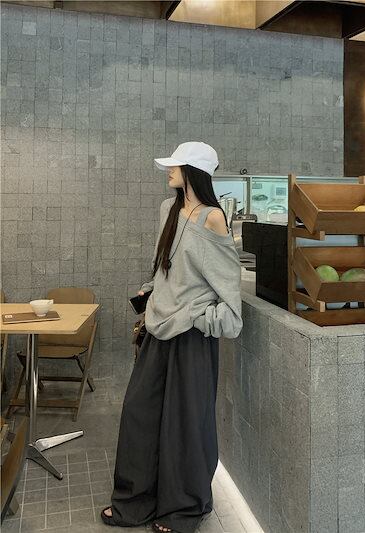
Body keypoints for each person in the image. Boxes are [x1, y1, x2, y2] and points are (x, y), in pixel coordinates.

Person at [101, 141, 243, 533]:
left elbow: (229, 298)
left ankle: (182, 510)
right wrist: (152, 293)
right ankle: (137, 501)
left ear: (194, 171)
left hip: (192, 338)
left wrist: (197, 316)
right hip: (159, 330)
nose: (168, 170)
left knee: (186, 424)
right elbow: (167, 268)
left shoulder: (213, 218)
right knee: (140, 414)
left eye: (175, 165)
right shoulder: (168, 209)